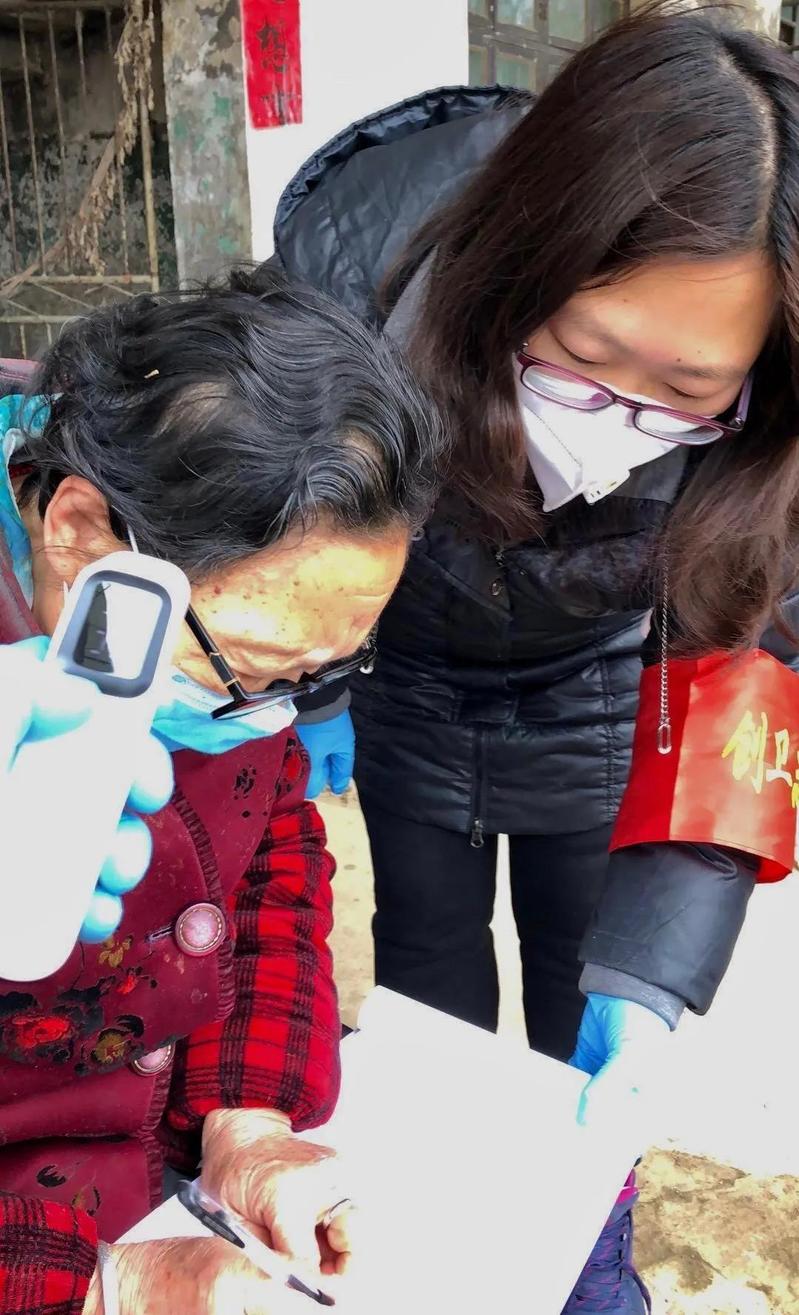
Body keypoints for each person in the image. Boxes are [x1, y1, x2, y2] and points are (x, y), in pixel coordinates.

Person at [270, 9, 799, 1313]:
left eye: (685, 391)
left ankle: (579, 1249)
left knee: (589, 986)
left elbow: (744, 674)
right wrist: (314, 686)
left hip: (600, 695)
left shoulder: (766, 436)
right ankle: (422, 1245)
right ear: (512, 269)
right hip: (407, 680)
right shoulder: (352, 301)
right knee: (426, 972)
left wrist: (654, 971)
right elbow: (282, 530)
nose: (616, 421)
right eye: (582, 357)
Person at [0, 269, 442, 1315]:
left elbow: (271, 872)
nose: (270, 709)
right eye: (250, 662)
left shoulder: (238, 688)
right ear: (79, 528)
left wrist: (248, 1124)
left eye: (319, 671)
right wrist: (97, 1286)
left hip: (159, 1187)